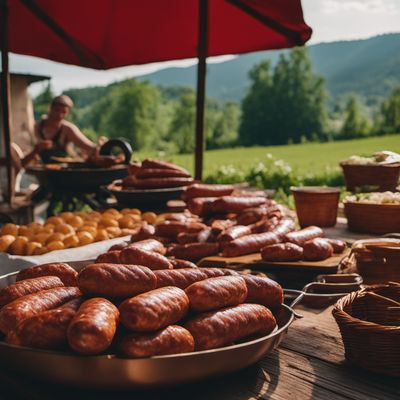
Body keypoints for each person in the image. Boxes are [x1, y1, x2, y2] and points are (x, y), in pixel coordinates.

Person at [22, 94, 98, 167]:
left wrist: (100, 146)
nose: (59, 115)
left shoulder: (68, 129)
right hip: (39, 171)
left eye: (64, 112)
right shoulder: (35, 127)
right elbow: (23, 160)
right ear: (50, 108)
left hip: (62, 172)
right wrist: (37, 149)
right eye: (57, 110)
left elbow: (90, 147)